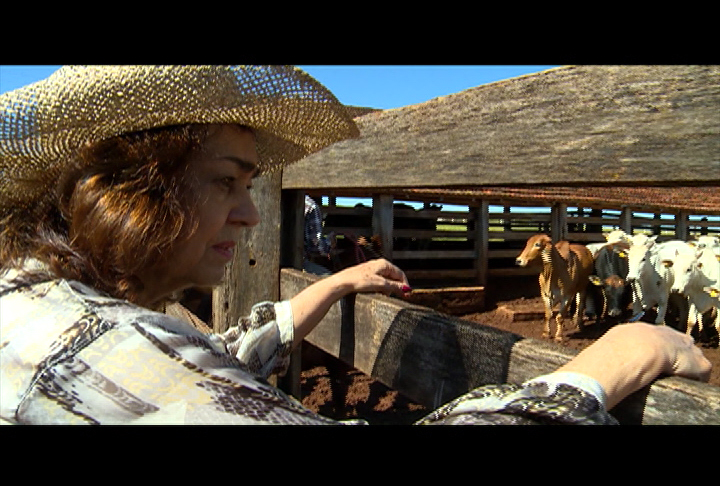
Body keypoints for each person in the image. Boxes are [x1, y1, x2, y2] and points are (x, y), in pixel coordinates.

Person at [0, 66, 711, 425]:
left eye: (252, 185)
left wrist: (334, 286)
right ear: (129, 193)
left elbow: (197, 370)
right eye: (226, 181)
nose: (251, 215)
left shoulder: (38, 311)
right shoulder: (95, 352)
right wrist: (608, 365)